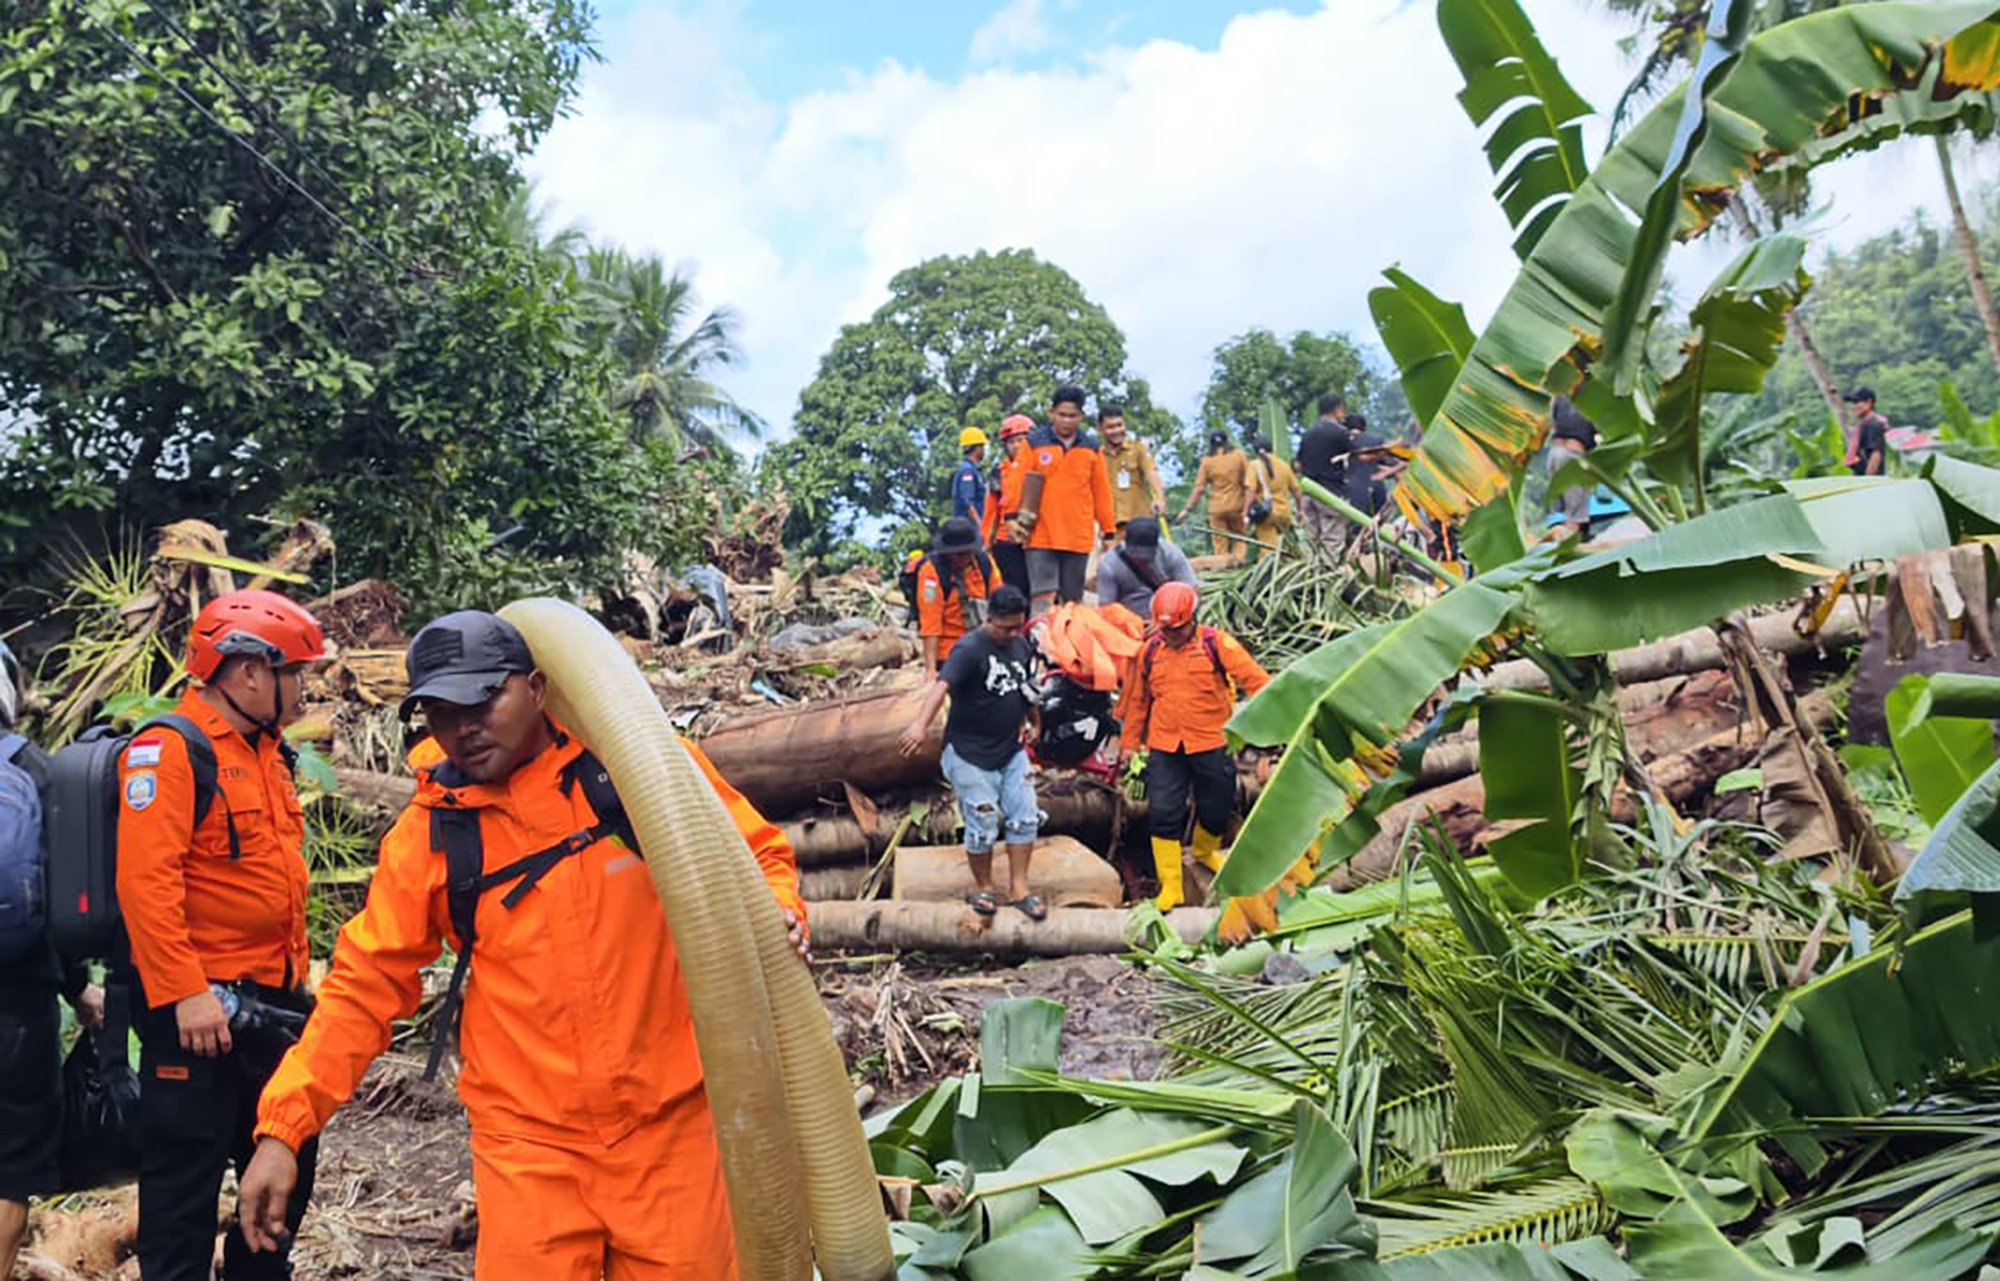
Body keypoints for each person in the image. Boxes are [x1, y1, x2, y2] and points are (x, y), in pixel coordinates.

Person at [238, 610, 810, 1278]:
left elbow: (756, 853)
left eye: (483, 701)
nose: (464, 728)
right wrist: (284, 1127)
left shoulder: (632, 771)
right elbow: (362, 990)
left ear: (536, 688)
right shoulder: (431, 836)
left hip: (673, 1131)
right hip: (528, 1148)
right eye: (442, 712)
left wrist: (777, 911)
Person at [116, 589, 327, 1281]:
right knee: (181, 1197)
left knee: (282, 1183)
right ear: (249, 672)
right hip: (197, 1018)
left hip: (272, 1008)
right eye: (295, 673)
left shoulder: (269, 753)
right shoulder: (170, 750)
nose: (303, 689)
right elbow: (145, 884)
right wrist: (185, 992)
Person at [0, 641, 104, 1281]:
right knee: (9, 1170)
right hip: (19, 1002)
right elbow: (67, 901)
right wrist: (80, 988)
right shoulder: (38, 771)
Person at [1115, 582, 1269, 911]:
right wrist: (1129, 743)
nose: (1170, 635)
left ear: (1192, 620)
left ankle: (1203, 851)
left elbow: (1257, 683)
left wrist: (1265, 732)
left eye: (1177, 629)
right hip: (1165, 744)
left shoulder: (1218, 644)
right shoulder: (1150, 651)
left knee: (1216, 808)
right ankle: (1171, 886)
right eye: (1165, 630)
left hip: (1212, 741)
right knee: (1163, 813)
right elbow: (1138, 701)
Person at [898, 585, 1045, 921]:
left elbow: (1026, 688)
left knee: (1025, 816)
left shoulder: (1020, 645)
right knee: (983, 818)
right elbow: (941, 687)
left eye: (1017, 627)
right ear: (989, 618)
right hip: (969, 753)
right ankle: (984, 887)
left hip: (1010, 750)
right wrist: (920, 726)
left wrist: (1035, 722)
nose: (1011, 634)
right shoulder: (969, 649)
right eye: (1005, 627)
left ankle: (1019, 889)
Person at [1015, 386, 1115, 614]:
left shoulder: (1091, 448)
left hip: (1077, 536)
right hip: (1040, 535)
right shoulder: (1033, 443)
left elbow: (1101, 492)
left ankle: (1071, 637)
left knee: (1073, 602)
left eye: (1072, 416)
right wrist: (1012, 518)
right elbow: (1018, 484)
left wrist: (1108, 531)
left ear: (1081, 416)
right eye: (1062, 415)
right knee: (1042, 599)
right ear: (1051, 413)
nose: (1067, 421)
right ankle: (1040, 637)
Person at [917, 516, 996, 673]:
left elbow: (999, 602)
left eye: (966, 553)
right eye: (957, 554)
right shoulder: (931, 573)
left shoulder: (985, 564)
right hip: (950, 653)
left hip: (984, 645)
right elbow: (930, 624)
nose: (962, 558)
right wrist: (930, 670)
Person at [1097, 517, 1197, 619]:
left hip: (1169, 616)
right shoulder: (1110, 564)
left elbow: (1190, 589)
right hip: (1130, 619)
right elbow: (1106, 607)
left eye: (1146, 558)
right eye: (1136, 557)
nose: (1141, 561)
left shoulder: (1170, 554)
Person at [1296, 394, 1352, 562]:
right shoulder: (1340, 433)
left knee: (1309, 539)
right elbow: (1357, 456)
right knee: (1331, 539)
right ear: (1337, 409)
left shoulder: (1308, 434)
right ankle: (1328, 573)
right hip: (1330, 493)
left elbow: (1297, 465)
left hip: (1309, 493)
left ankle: (1307, 571)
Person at [1178, 431, 1250, 561]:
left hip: (1216, 508)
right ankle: (1239, 562)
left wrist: (1187, 509)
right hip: (1236, 506)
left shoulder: (1207, 462)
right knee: (1240, 538)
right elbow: (1248, 480)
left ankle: (1221, 567)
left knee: (1219, 543)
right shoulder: (1238, 456)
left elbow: (1199, 488)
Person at [1096, 404, 1167, 535]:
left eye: (1119, 425)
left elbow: (1152, 473)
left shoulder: (1138, 449)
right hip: (1110, 526)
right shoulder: (1096, 455)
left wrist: (1159, 498)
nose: (1116, 430)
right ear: (1100, 429)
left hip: (1139, 522)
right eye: (1110, 427)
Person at [987, 414, 1035, 593]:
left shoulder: (1042, 467)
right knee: (1014, 591)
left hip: (1037, 539)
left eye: (1021, 440)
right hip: (1006, 540)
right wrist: (986, 542)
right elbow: (990, 511)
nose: (1016, 446)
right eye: (1011, 442)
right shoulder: (999, 472)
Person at [1242, 437, 1302, 560]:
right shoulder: (1284, 465)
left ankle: (1272, 569)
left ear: (1255, 451)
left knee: (1268, 552)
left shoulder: (1254, 465)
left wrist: (1245, 511)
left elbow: (1251, 490)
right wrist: (1300, 510)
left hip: (1267, 514)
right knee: (1284, 548)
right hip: (1284, 514)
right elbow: (1296, 490)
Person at [1545, 398, 1596, 538]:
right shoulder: (1591, 397)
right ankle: (1571, 544)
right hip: (1572, 455)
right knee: (1574, 516)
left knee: (1558, 513)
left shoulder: (1561, 397)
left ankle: (1557, 543)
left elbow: (1552, 420)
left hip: (1553, 454)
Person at [1845, 386, 1889, 476]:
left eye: (1857, 402)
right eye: (1853, 403)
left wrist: (1868, 479)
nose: (1854, 406)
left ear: (1869, 402)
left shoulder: (1871, 424)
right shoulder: (1866, 424)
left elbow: (1875, 454)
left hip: (1869, 478)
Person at [951, 426, 991, 527]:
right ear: (976, 448)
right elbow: (968, 503)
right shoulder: (967, 471)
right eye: (982, 446)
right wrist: (981, 526)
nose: (984, 450)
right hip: (969, 529)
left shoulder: (975, 470)